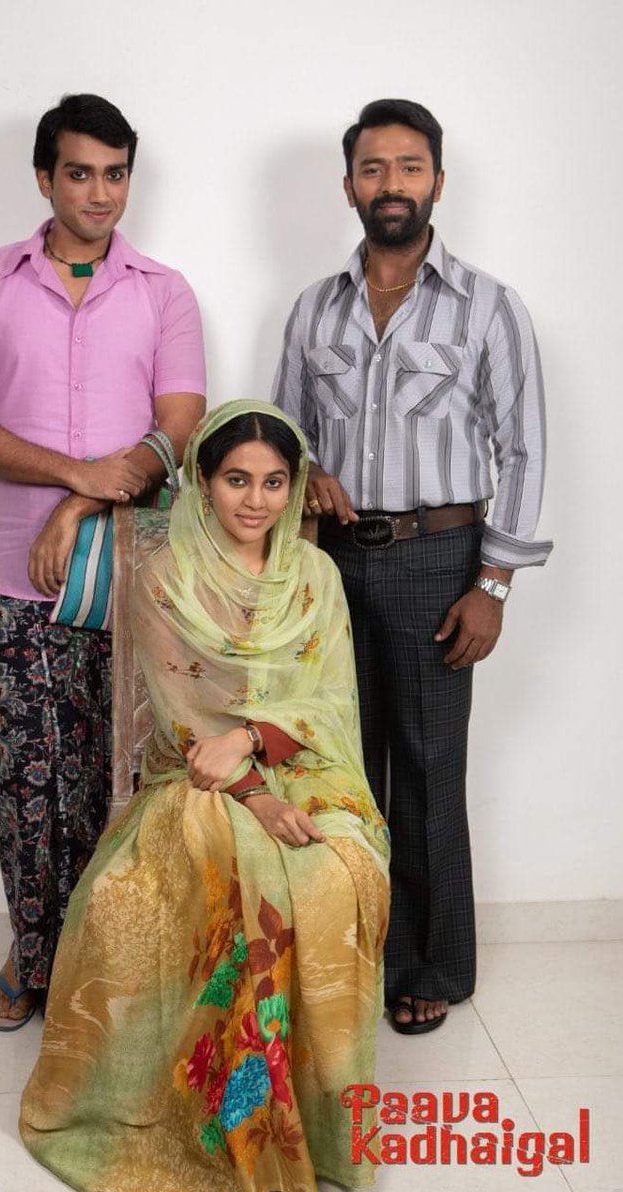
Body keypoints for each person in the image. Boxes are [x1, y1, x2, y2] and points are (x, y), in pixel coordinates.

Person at [19, 401, 389, 1192]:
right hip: (192, 774)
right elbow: (184, 722)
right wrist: (256, 797)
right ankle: (231, 1123)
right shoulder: (167, 577)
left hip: (308, 765)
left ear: (294, 487)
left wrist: (252, 740)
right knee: (231, 873)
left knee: (338, 874)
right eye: (236, 480)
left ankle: (311, 1120)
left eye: (274, 482)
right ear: (202, 483)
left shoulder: (315, 575)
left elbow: (330, 700)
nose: (255, 500)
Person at [272, 99, 552, 1034]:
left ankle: (432, 965)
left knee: (429, 770)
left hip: (440, 560)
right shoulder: (314, 309)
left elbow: (524, 451)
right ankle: (352, 956)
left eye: (409, 166)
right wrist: (306, 473)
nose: (390, 184)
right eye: (373, 168)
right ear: (349, 185)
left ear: (437, 180)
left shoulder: (488, 307)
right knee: (338, 767)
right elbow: (282, 437)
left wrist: (493, 584)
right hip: (331, 565)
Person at [0, 93, 206, 1030]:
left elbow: (179, 428)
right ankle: (33, 952)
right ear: (44, 178)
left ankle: (107, 958)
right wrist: (69, 472)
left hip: (135, 573)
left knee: (122, 769)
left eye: (116, 174)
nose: (100, 193)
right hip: (21, 575)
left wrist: (84, 499)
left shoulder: (164, 290)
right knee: (30, 773)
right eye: (80, 173)